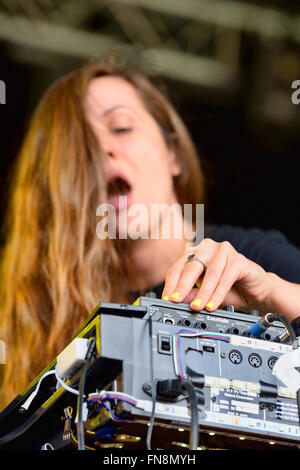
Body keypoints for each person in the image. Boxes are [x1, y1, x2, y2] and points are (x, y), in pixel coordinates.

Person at [1, 57, 300, 412]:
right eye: (79, 148)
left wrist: (270, 294)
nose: (102, 150)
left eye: (122, 127)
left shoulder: (256, 257)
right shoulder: (40, 310)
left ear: (174, 154)